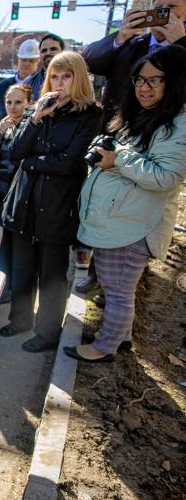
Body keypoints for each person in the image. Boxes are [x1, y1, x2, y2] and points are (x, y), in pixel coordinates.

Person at [66, 45, 186, 362]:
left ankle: (103, 348)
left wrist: (117, 159)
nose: (144, 87)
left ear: (172, 82)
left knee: (118, 291)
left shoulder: (178, 124)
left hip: (134, 225)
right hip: (121, 220)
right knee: (116, 287)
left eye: (154, 80)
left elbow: (165, 177)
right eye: (139, 80)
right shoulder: (148, 117)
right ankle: (118, 336)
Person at [0, 51, 103, 353]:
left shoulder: (90, 113)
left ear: (78, 78)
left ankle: (47, 333)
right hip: (25, 202)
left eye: (66, 76)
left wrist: (32, 163)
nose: (59, 83)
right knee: (23, 268)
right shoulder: (39, 108)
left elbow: (69, 162)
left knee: (52, 274)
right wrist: (35, 119)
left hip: (58, 205)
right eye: (54, 76)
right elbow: (16, 150)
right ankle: (20, 320)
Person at [83, 0, 186, 126]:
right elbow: (89, 64)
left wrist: (181, 42)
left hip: (169, 132)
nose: (163, 12)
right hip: (117, 130)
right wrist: (120, 37)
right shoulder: (130, 43)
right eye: (158, 7)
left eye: (172, 7)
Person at [0, 83, 33, 303]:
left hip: (23, 196)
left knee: (18, 246)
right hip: (0, 195)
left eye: (19, 102)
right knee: (0, 244)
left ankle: (18, 291)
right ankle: (2, 288)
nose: (13, 107)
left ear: (29, 103)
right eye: (9, 102)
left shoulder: (33, 127)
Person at [0, 39, 39, 117]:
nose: (27, 63)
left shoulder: (40, 85)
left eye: (31, 61)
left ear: (38, 61)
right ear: (18, 60)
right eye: (24, 60)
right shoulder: (4, 85)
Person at [26, 33, 65, 100]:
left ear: (63, 52)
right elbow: (25, 109)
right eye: (44, 50)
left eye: (53, 49)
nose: (48, 53)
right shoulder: (30, 84)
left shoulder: (76, 78)